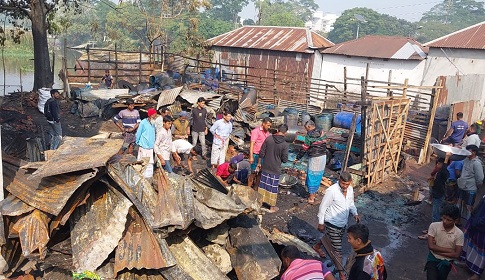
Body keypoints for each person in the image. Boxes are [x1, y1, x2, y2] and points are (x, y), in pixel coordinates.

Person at [313, 171, 360, 272]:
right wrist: (321, 222)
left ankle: (317, 246)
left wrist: (355, 213)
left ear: (350, 182)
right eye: (343, 183)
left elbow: (351, 203)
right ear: (339, 180)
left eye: (347, 184)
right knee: (337, 250)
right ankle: (341, 273)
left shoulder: (350, 189)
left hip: (343, 223)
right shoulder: (332, 191)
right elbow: (323, 206)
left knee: (330, 237)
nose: (344, 186)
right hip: (331, 222)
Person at [424, 204, 464, 280]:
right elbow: (431, 246)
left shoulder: (459, 234)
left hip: (447, 262)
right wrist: (450, 251)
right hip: (433, 258)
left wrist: (437, 251)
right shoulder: (434, 226)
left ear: (455, 220)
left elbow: (457, 254)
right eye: (444, 218)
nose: (445, 221)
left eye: (449, 220)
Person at [257, 124, 289, 213]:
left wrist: (259, 163)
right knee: (273, 188)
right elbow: (285, 159)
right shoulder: (285, 144)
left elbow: (261, 152)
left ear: (277, 130)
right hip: (275, 169)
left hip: (266, 166)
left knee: (263, 185)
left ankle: (260, 203)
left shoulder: (269, 139)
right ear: (285, 133)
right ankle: (271, 207)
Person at [294, 120, 328, 204]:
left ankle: (311, 198)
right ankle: (314, 194)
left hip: (315, 158)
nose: (306, 131)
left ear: (309, 127)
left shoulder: (309, 135)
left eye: (306, 129)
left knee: (311, 176)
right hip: (323, 156)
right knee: (318, 175)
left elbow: (304, 148)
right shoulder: (321, 131)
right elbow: (325, 141)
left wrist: (297, 158)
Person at [460, 195, 485, 280]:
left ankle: (477, 274)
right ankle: (467, 263)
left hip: (481, 227)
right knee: (470, 245)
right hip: (476, 222)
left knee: (481, 251)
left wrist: (478, 223)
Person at [457, 145, 484, 224]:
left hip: (470, 190)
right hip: (462, 186)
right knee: (459, 205)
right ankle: (457, 221)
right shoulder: (466, 160)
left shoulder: (477, 164)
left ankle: (468, 226)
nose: (467, 152)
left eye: (469, 151)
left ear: (474, 152)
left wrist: (476, 187)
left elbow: (480, 179)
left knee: (469, 208)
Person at [249, 117, 273, 188]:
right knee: (253, 173)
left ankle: (256, 188)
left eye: (270, 126)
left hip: (263, 156)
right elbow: (252, 144)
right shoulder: (256, 131)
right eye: (268, 125)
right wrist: (251, 156)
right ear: (263, 124)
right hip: (256, 154)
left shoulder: (268, 134)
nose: (269, 127)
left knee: (260, 173)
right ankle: (248, 188)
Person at [135, 108, 157, 178]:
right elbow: (138, 133)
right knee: (142, 161)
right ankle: (142, 176)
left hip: (150, 147)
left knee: (150, 162)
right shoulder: (143, 122)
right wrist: (137, 141)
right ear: (151, 115)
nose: (155, 116)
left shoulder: (153, 123)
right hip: (143, 145)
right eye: (154, 115)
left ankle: (149, 176)